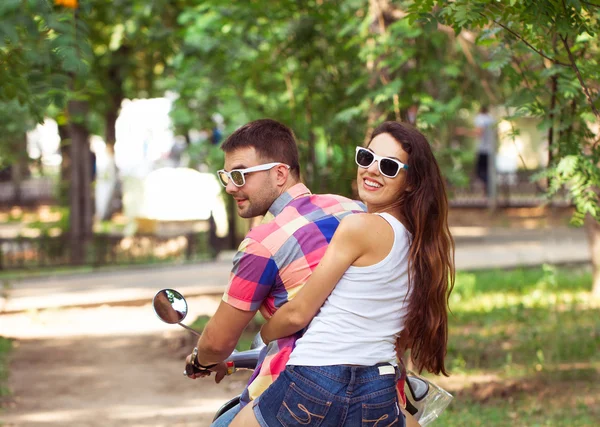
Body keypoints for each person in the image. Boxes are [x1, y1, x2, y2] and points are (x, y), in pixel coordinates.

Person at [230, 121, 455, 427]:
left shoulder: (359, 226)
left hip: (315, 377)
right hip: (378, 388)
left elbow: (298, 313)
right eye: (367, 158)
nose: (372, 170)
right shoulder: (423, 246)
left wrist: (265, 334)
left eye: (388, 166)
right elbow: (402, 335)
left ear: (412, 181)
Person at [182, 119, 366, 426]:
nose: (229, 186)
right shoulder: (354, 209)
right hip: (375, 375)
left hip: (304, 386)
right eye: (226, 176)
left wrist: (201, 359)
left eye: (239, 174)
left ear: (279, 173)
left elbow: (219, 342)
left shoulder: (263, 242)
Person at [474, 106, 496, 196]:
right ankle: (488, 190)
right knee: (487, 171)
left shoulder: (480, 119)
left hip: (483, 149)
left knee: (479, 172)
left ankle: (488, 186)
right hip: (491, 150)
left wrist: (464, 132)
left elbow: (479, 132)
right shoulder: (491, 120)